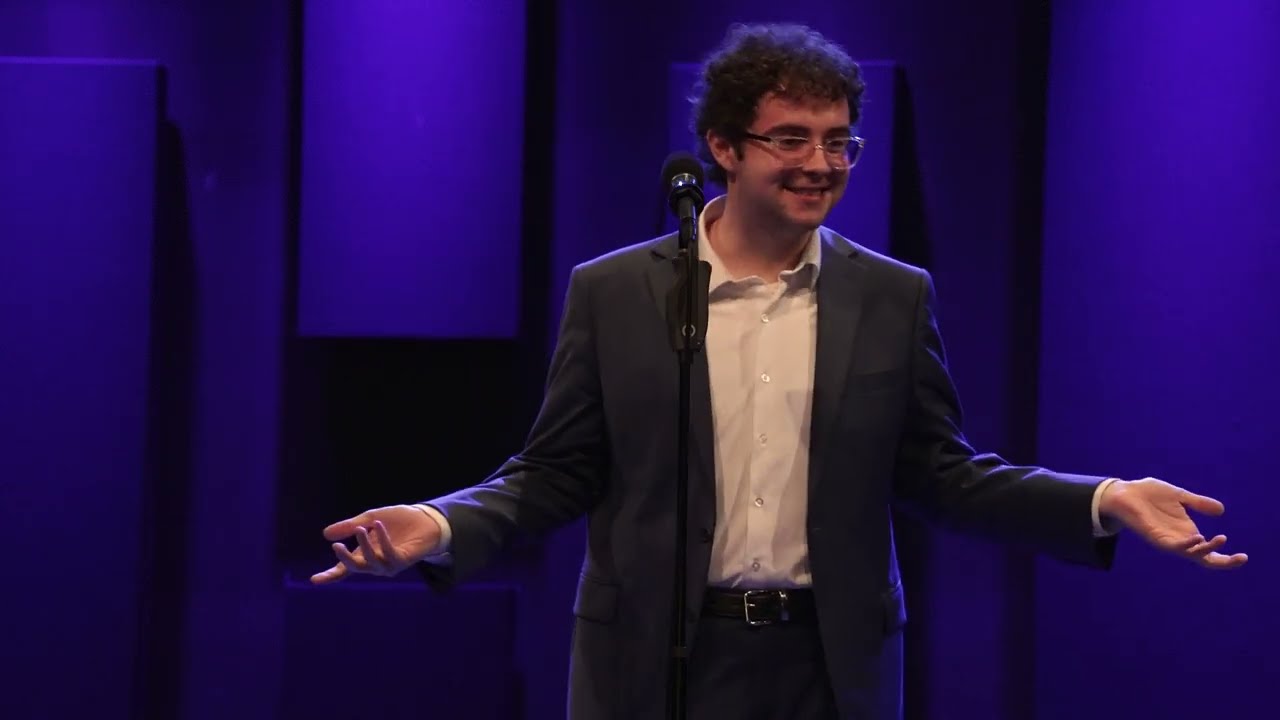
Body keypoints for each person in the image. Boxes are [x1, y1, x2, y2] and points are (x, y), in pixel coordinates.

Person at [310, 22, 1247, 720]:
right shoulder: (615, 292)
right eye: (790, 138)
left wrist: (1104, 499)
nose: (821, 163)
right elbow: (556, 472)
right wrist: (439, 523)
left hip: (828, 667)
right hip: (654, 664)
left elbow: (942, 474)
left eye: (839, 141)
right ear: (723, 148)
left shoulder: (892, 296)